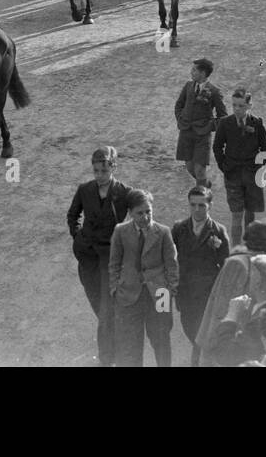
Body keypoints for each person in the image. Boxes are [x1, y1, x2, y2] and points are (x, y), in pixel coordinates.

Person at [66, 146, 132, 367]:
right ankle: (112, 344)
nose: (100, 176)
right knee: (97, 304)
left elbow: (140, 216)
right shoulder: (85, 190)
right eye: (96, 171)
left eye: (104, 171)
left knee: (106, 311)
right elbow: (72, 215)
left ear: (114, 168)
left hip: (110, 259)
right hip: (88, 259)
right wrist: (78, 236)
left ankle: (107, 359)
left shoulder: (123, 192)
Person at [108, 188, 178, 367]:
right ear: (130, 213)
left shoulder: (163, 232)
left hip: (160, 294)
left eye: (149, 212)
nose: (145, 217)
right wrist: (115, 288)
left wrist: (170, 290)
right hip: (129, 295)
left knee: (161, 341)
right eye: (140, 213)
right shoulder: (121, 231)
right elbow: (114, 263)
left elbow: (172, 264)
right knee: (130, 345)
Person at [171, 184, 230, 367]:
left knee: (200, 337)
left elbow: (226, 265)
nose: (197, 209)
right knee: (190, 329)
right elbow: (170, 259)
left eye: (202, 205)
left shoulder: (218, 231)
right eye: (193, 205)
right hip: (186, 292)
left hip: (207, 295)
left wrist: (220, 295)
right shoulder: (179, 229)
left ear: (210, 206)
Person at [212, 87, 266, 246]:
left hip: (252, 174)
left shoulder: (257, 123)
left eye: (241, 106)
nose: (237, 109)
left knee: (250, 214)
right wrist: (223, 166)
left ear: (249, 106)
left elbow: (265, 145)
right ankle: (236, 250)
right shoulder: (225, 123)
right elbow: (217, 146)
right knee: (236, 215)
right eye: (234, 105)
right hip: (233, 174)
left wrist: (262, 164)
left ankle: (248, 247)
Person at [173, 57, 227, 185]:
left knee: (200, 170)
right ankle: (204, 184)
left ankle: (202, 196)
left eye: (194, 70)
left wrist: (210, 126)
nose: (191, 72)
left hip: (202, 135)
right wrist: (181, 118)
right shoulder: (188, 86)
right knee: (190, 167)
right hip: (186, 131)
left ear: (203, 73)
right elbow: (179, 105)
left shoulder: (214, 91)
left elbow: (222, 116)